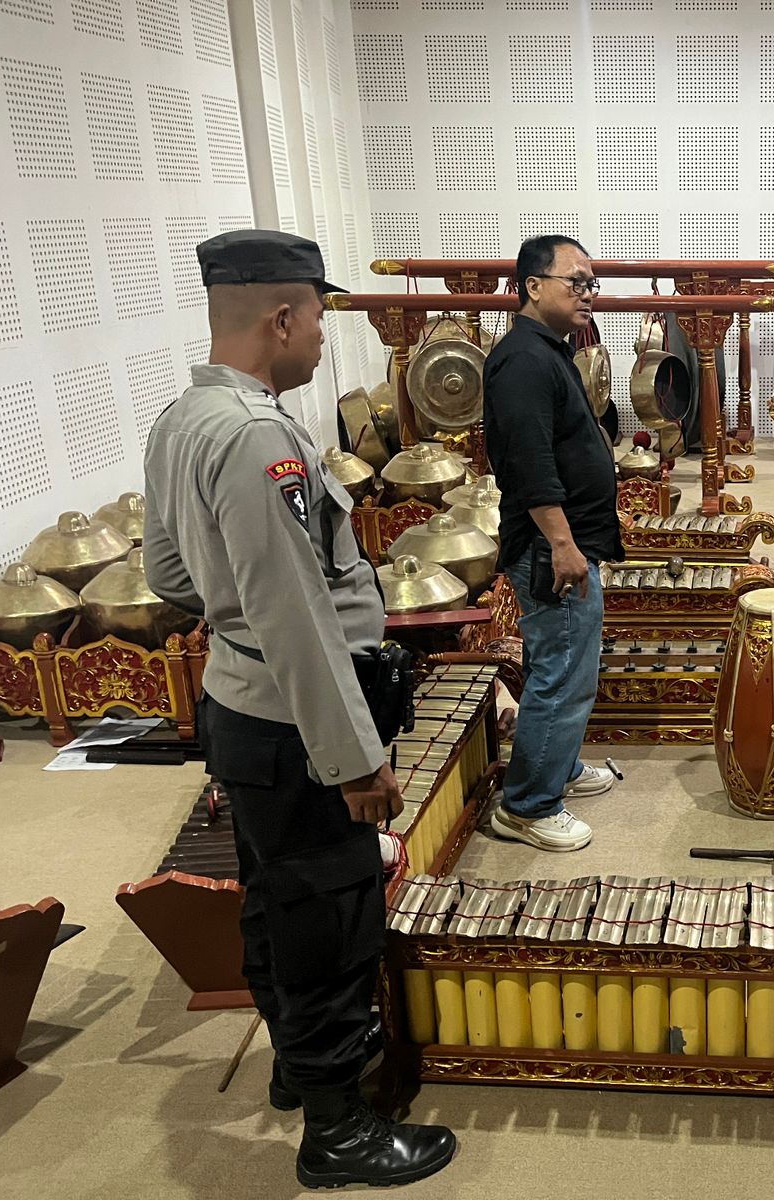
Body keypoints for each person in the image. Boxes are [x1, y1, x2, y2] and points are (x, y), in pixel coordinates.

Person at [143, 230, 456, 1189]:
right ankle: (338, 1131)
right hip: (295, 724)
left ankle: (295, 1069)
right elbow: (296, 616)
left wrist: (234, 624)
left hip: (244, 709)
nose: (324, 335)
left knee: (277, 902)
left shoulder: (182, 418)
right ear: (282, 315)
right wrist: (356, 759)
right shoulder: (257, 437)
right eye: (320, 314)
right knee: (328, 915)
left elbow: (166, 572)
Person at [482, 235, 624, 852]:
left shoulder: (548, 350)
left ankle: (557, 766)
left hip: (565, 544)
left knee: (560, 664)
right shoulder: (523, 360)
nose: (588, 293)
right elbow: (530, 463)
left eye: (592, 284)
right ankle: (528, 805)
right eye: (577, 281)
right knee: (563, 674)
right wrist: (564, 545)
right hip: (551, 549)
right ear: (533, 286)